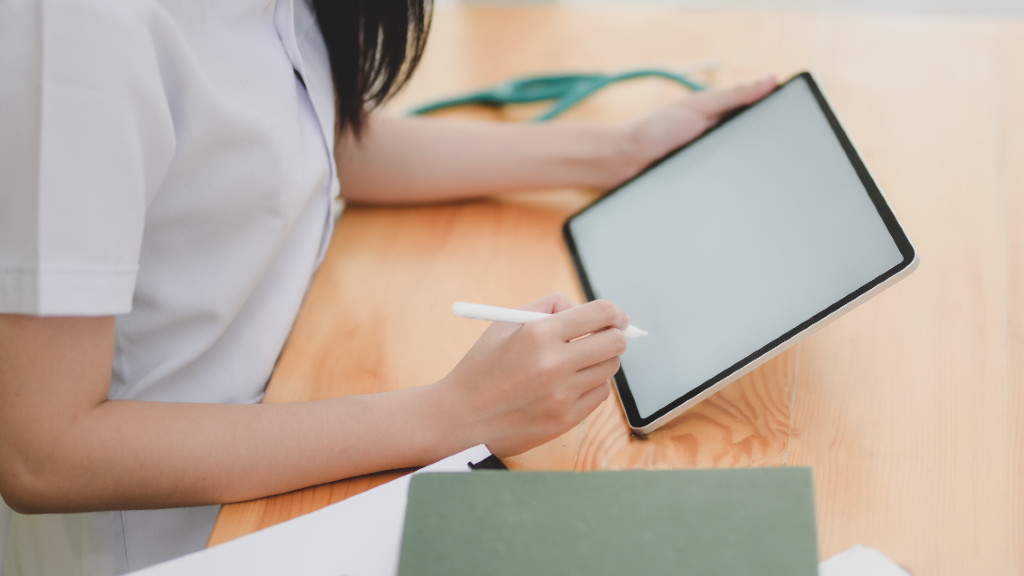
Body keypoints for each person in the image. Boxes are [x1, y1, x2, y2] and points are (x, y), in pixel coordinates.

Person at [0, 0, 775, 574]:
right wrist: (452, 414)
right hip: (187, 532)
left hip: (299, 417)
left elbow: (306, 141)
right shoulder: (74, 30)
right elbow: (43, 453)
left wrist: (617, 151)